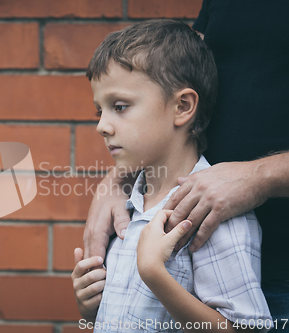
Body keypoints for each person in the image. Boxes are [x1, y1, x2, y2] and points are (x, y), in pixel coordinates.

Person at [81, 1, 289, 331]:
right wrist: (91, 307)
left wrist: (154, 274)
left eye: (119, 107)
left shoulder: (215, 220)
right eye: (100, 111)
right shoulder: (130, 206)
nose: (102, 126)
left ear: (183, 107)